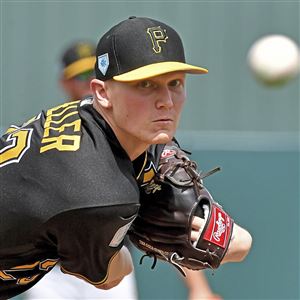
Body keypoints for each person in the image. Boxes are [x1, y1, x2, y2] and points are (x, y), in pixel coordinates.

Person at [0, 16, 252, 300]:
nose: (166, 101)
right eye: (145, 84)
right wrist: (137, 223)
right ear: (102, 92)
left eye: (175, 82)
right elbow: (114, 275)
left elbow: (240, 244)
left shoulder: (102, 122)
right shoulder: (97, 192)